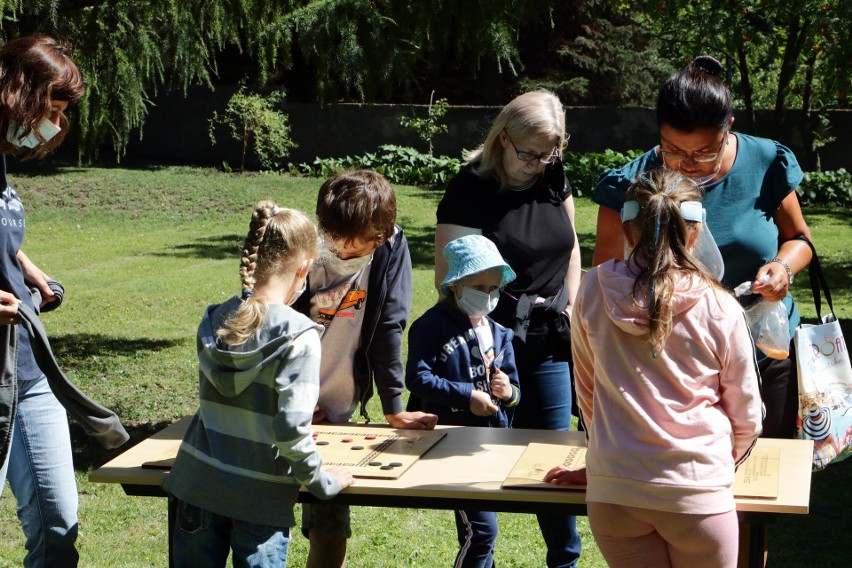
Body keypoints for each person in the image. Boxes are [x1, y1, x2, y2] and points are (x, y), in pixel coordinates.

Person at [547, 170, 763, 568]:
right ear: (696, 233)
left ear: (627, 228)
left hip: (614, 493)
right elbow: (747, 414)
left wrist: (607, 457)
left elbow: (587, 393)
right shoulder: (721, 306)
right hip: (697, 494)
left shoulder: (592, 290)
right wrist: (716, 464)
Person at [592, 55, 813, 440]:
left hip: (766, 350)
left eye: (705, 152)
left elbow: (799, 238)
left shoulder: (764, 161)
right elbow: (606, 283)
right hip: (673, 370)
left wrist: (783, 268)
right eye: (672, 150)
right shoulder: (629, 185)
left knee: (764, 481)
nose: (689, 165)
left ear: (729, 128)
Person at [434, 89, 582, 567]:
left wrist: (572, 306)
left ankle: (565, 563)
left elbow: (571, 244)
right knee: (478, 470)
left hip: (549, 344)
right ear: (502, 139)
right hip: (488, 349)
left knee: (554, 467)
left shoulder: (553, 175)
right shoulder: (468, 189)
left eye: (549, 153)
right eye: (529, 154)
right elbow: (449, 280)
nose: (540, 164)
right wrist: (483, 346)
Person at [163, 202, 354, 567]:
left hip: (196, 487)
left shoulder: (213, 319)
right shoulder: (300, 336)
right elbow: (290, 430)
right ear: (303, 269)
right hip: (259, 499)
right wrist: (323, 482)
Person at [290, 170, 438, 567]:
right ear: (325, 227)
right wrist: (289, 401)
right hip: (282, 403)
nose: (348, 252)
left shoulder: (391, 247)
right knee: (263, 520)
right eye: (338, 243)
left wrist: (394, 405)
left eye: (363, 245)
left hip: (334, 412)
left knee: (328, 523)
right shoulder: (301, 246)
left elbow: (390, 325)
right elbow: (266, 328)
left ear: (382, 232)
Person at [0, 34, 86, 566]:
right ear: (18, 93)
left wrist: (28, 269)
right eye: (49, 110)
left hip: (28, 372)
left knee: (59, 530)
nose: (52, 124)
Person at [407, 234, 521, 568]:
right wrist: (466, 396)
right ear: (455, 285)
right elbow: (417, 377)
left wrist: (508, 392)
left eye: (492, 289)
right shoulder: (431, 326)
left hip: (489, 445)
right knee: (482, 532)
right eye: (479, 287)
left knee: (479, 533)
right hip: (449, 442)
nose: (487, 296)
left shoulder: (500, 334)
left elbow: (516, 390)